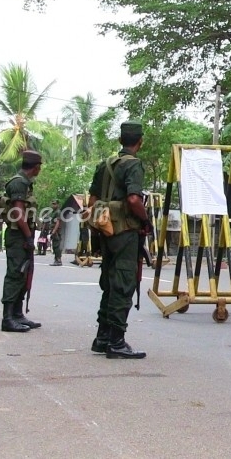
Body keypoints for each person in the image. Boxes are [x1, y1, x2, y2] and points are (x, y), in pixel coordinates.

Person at [86, 120, 151, 359]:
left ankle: (102, 338)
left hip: (106, 231)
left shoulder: (104, 164)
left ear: (120, 140)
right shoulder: (133, 165)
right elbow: (134, 200)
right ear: (140, 142)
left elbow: (92, 201)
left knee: (110, 283)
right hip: (124, 232)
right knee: (123, 284)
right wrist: (145, 221)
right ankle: (116, 342)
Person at [0, 150, 44, 333]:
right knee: (15, 274)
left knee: (24, 274)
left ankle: (17, 314)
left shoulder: (25, 183)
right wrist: (28, 236)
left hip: (22, 235)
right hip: (18, 236)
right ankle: (8, 318)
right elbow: (18, 213)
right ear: (36, 167)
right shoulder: (19, 183)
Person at [49, 200, 63, 266]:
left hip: (56, 231)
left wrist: (54, 231)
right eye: (52, 204)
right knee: (55, 246)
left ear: (58, 204)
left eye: (54, 204)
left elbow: (58, 222)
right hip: (53, 231)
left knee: (56, 246)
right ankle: (56, 260)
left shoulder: (58, 212)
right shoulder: (54, 212)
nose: (53, 205)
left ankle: (58, 260)